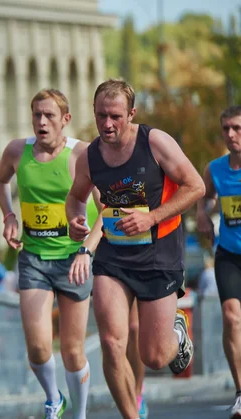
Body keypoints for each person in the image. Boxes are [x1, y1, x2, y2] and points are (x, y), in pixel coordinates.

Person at [66, 79, 205, 419]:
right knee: (113, 344)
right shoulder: (90, 156)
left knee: (154, 357)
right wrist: (74, 220)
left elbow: (196, 187)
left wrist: (151, 218)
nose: (107, 124)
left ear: (131, 113)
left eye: (115, 116)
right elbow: (75, 197)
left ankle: (176, 329)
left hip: (159, 253)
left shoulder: (154, 142)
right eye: (101, 116)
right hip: (113, 257)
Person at [0, 89, 103, 419]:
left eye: (49, 115)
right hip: (34, 257)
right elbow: (0, 182)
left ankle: (80, 413)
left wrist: (87, 250)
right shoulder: (16, 150)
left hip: (74, 258)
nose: (42, 121)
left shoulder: (81, 154)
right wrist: (9, 216)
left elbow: (108, 207)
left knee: (72, 349)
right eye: (36, 114)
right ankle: (54, 398)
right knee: (39, 347)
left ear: (65, 120)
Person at [196, 105, 241, 418]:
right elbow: (205, 197)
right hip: (229, 253)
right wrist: (203, 214)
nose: (230, 134)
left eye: (237, 127)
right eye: (226, 128)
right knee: (231, 317)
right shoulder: (215, 169)